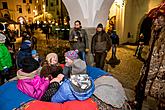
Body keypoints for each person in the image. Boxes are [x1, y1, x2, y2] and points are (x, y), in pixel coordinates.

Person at [135, 14, 165, 110]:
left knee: (156, 94)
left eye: (159, 20)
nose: (155, 22)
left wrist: (160, 74)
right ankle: (137, 104)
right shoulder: (155, 33)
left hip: (158, 71)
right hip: (149, 67)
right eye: (155, 19)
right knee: (140, 87)